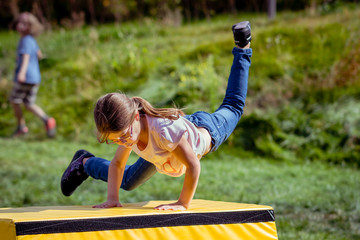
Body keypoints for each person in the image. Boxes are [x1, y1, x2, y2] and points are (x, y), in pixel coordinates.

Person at [61, 21, 252, 211]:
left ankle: (242, 46)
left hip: (207, 129)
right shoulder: (127, 131)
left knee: (233, 105)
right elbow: (118, 164)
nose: (123, 142)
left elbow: (193, 165)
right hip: (163, 147)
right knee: (126, 181)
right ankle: (84, 163)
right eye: (116, 139)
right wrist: (112, 199)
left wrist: (182, 204)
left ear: (136, 117)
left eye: (124, 136)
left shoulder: (163, 132)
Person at [9, 12, 56, 138]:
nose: (20, 26)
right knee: (28, 103)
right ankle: (47, 120)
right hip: (35, 78)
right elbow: (39, 55)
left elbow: (26, 57)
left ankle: (21, 127)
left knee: (14, 101)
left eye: (24, 24)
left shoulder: (24, 40)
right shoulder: (32, 40)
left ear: (31, 26)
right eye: (19, 23)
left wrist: (22, 73)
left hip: (26, 77)